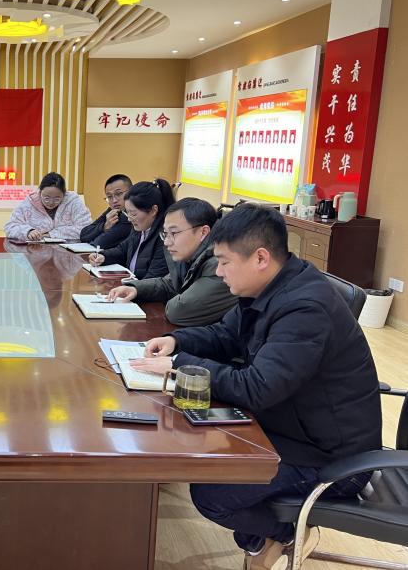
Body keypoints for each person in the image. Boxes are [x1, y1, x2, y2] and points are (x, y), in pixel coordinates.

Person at [132, 204, 382, 570]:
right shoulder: (270, 287)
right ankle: (266, 540)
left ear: (261, 258)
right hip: (292, 426)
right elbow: (225, 334)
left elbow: (257, 387)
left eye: (224, 262)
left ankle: (284, 534)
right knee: (199, 445)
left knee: (212, 491)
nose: (218, 271)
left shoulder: (305, 308)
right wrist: (178, 342)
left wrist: (179, 365)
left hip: (334, 459)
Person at [107, 198, 236, 326]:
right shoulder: (190, 255)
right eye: (165, 234)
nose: (167, 242)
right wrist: (136, 289)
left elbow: (180, 311)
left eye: (173, 233)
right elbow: (169, 284)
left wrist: (176, 296)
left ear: (203, 232)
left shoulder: (219, 264)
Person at [87, 179, 174, 280]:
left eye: (133, 214)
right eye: (127, 213)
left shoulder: (164, 237)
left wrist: (131, 287)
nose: (129, 218)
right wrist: (103, 257)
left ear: (153, 210)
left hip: (141, 288)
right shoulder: (139, 228)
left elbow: (154, 279)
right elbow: (122, 250)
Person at [4, 172, 91, 242]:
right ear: (40, 192)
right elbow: (10, 227)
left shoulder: (73, 202)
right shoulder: (28, 203)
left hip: (67, 254)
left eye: (57, 199)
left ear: (64, 194)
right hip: (35, 252)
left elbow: (86, 230)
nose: (51, 202)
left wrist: (51, 234)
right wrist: (28, 231)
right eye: (46, 198)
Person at [79, 174, 133, 250]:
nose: (114, 200)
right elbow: (84, 235)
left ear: (131, 192)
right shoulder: (112, 211)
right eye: (109, 196)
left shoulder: (131, 216)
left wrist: (95, 236)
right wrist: (104, 227)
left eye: (118, 194)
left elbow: (99, 244)